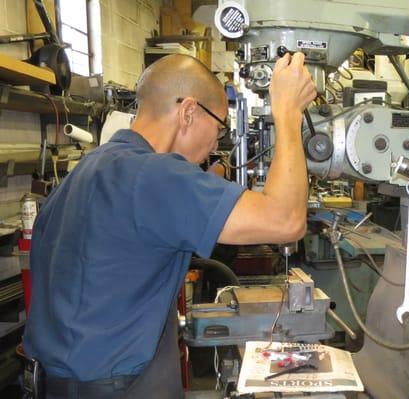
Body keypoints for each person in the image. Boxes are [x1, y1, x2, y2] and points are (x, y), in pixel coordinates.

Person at [23, 52, 316, 398]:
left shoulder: (89, 169)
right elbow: (286, 220)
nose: (214, 144)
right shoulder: (155, 175)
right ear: (188, 111)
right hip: (120, 386)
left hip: (55, 384)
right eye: (219, 127)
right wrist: (287, 112)